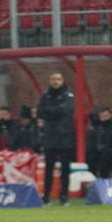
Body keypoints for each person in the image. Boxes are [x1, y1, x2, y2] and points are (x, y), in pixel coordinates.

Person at [37, 72, 76, 205]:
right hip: (50, 136)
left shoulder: (68, 95)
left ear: (62, 80)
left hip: (65, 136)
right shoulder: (45, 96)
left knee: (65, 168)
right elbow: (40, 112)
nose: (55, 81)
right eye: (53, 79)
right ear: (49, 81)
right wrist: (55, 110)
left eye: (58, 79)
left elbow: (66, 110)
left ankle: (64, 196)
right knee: (49, 168)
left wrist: (50, 111)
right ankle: (46, 196)